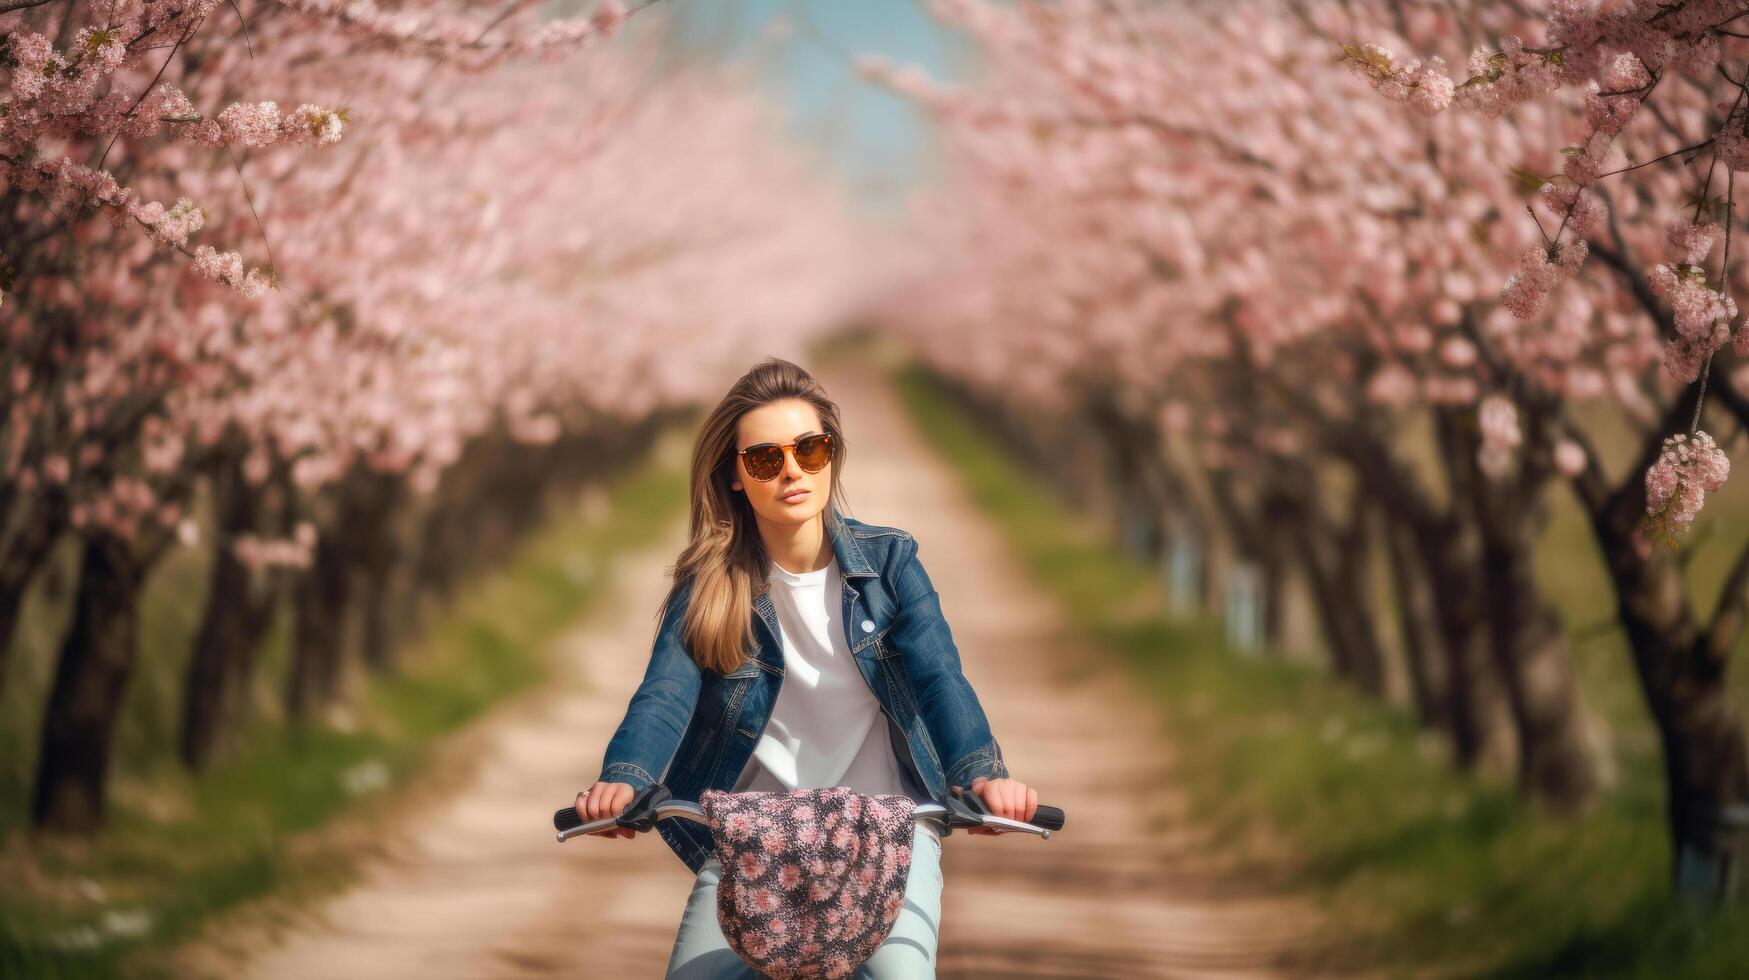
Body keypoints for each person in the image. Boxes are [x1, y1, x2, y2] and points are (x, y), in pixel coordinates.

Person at [576, 357, 1036, 978]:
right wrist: (624, 780)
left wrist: (983, 775)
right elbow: (665, 694)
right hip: (753, 839)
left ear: (831, 456)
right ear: (735, 476)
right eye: (765, 458)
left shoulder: (892, 565)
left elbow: (939, 677)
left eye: (810, 449)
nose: (792, 471)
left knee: (897, 975)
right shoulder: (710, 587)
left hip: (884, 835)